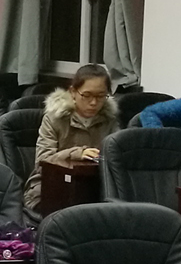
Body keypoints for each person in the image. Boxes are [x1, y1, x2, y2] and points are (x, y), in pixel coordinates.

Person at [25, 64, 119, 213]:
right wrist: (76, 153)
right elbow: (42, 161)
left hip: (94, 188)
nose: (93, 102)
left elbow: (117, 158)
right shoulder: (54, 119)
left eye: (101, 96)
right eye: (87, 95)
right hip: (49, 187)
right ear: (73, 92)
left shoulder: (109, 121)